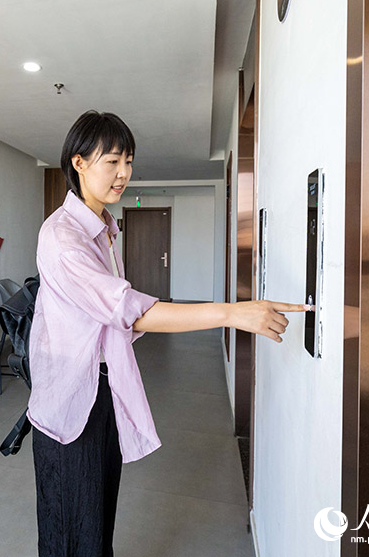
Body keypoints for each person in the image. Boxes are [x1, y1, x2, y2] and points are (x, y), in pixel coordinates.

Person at [27, 110, 309, 557]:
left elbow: (115, 318)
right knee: (70, 530)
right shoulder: (63, 237)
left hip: (99, 390)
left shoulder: (102, 230)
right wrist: (232, 313)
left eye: (129, 162)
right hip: (69, 401)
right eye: (113, 162)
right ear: (78, 163)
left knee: (96, 523)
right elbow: (129, 312)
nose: (124, 174)